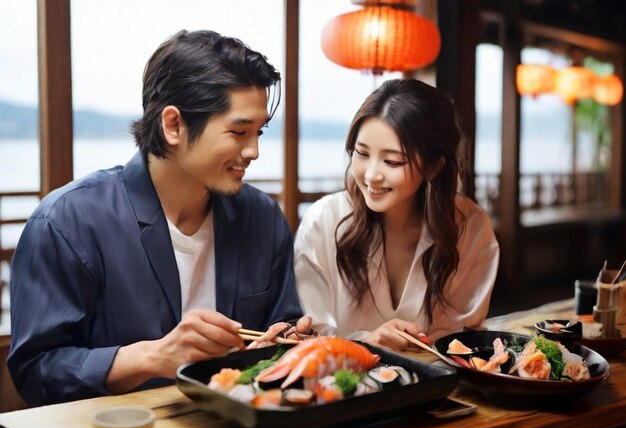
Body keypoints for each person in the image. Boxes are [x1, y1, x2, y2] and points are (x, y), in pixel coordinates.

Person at [8, 29, 310, 406]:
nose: (254, 151)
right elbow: (36, 373)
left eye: (259, 132)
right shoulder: (68, 222)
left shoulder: (261, 216)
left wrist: (290, 342)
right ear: (173, 125)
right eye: (238, 131)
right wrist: (152, 357)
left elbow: (284, 337)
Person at [294, 79, 499, 351]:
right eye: (362, 153)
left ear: (434, 165)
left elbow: (461, 344)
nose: (371, 175)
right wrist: (367, 342)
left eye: (392, 161)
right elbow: (308, 337)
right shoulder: (323, 221)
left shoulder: (469, 228)